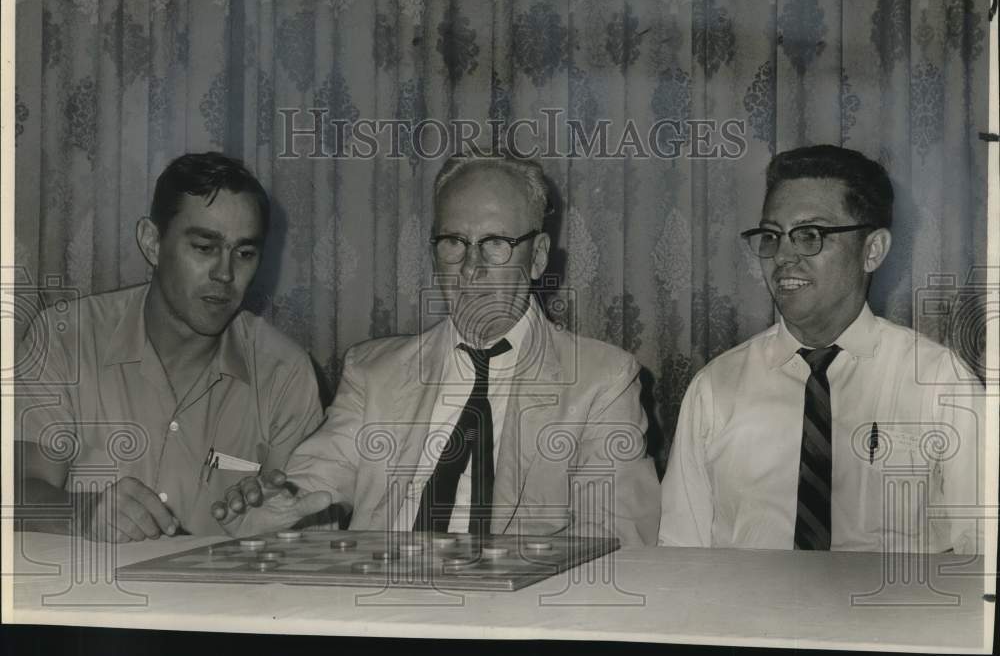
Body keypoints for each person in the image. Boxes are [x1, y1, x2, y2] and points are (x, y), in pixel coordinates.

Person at [214, 153, 661, 546]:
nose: (471, 268)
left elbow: (617, 536)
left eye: (495, 244)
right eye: (454, 242)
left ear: (539, 256)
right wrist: (280, 503)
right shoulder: (374, 372)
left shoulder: (602, 380)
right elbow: (319, 474)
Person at [659, 145, 983, 553]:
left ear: (872, 250)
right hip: (743, 614)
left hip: (886, 613)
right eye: (771, 237)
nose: (783, 256)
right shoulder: (715, 387)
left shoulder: (938, 381)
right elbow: (680, 551)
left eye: (810, 235)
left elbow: (982, 550)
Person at [14, 152, 325, 542]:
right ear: (152, 242)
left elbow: (307, 530)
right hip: (86, 595)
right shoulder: (64, 338)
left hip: (222, 598)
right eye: (204, 247)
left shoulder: (286, 373)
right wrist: (81, 513)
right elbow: (20, 489)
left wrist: (277, 533)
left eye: (244, 254)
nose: (225, 274)